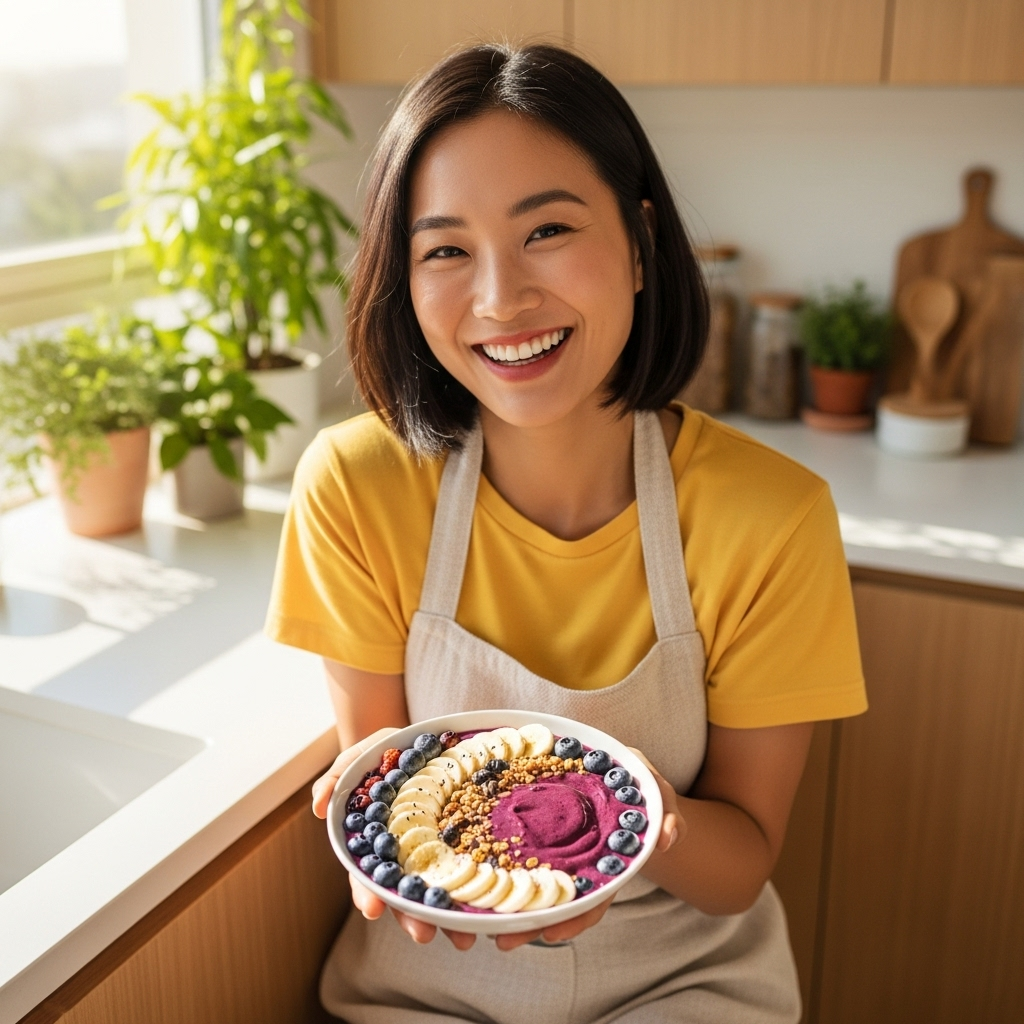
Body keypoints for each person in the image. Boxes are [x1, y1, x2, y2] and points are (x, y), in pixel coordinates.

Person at [266, 42, 867, 1024]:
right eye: (446, 249)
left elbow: (739, 864)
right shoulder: (355, 486)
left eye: (546, 228)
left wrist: (627, 821)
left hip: (688, 984)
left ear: (637, 242)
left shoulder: (771, 514)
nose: (501, 299)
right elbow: (388, 797)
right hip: (423, 988)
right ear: (403, 280)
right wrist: (378, 833)